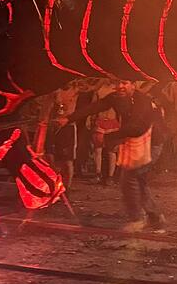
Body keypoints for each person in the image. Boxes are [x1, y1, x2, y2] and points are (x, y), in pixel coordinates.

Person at [62, 81, 165, 231]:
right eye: (118, 83)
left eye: (125, 83)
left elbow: (137, 128)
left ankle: (137, 219)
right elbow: (94, 107)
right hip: (135, 141)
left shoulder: (142, 101)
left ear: (133, 85)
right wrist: (69, 118)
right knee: (137, 179)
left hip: (152, 142)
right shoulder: (115, 98)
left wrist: (108, 137)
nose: (120, 87)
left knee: (129, 178)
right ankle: (154, 217)